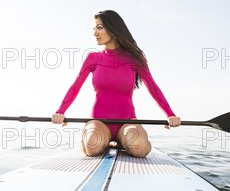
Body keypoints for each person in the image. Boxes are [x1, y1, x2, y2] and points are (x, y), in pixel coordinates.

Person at [52, 10, 181, 158]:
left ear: (113, 28)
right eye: (94, 29)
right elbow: (75, 87)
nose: (95, 33)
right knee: (92, 146)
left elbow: (153, 87)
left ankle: (122, 140)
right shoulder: (93, 58)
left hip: (127, 122)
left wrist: (170, 114)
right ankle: (95, 141)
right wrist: (60, 112)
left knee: (139, 147)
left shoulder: (134, 59)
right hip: (99, 121)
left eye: (99, 28)